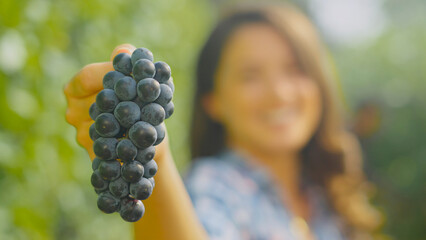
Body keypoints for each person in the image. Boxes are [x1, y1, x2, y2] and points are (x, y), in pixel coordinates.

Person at [64, 3, 384, 240]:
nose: (280, 94)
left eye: (294, 69)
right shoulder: (215, 188)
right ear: (212, 101)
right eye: (250, 76)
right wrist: (151, 151)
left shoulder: (322, 193)